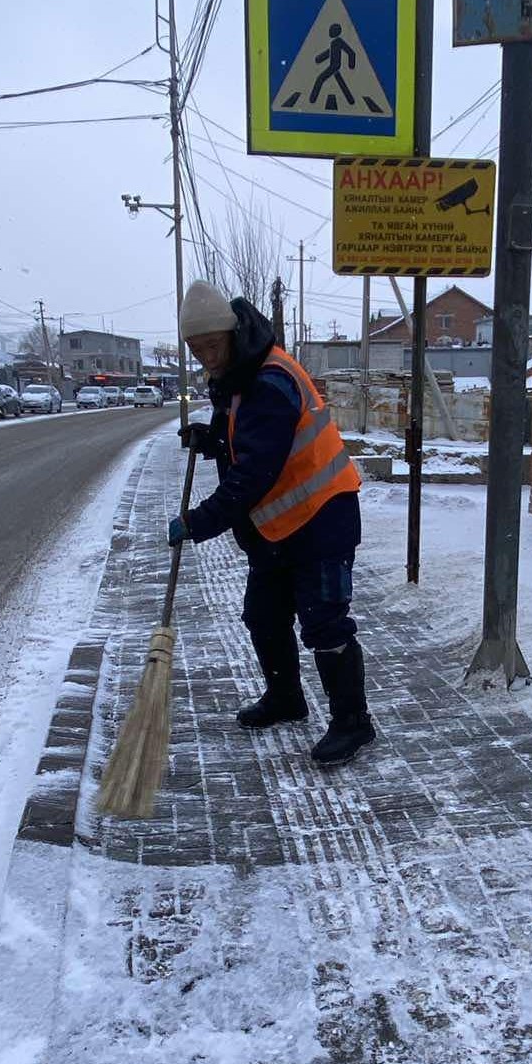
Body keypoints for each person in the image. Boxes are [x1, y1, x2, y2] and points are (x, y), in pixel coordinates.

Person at [169, 279, 375, 766]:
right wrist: (212, 436)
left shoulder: (269, 380)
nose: (205, 359)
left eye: (210, 347)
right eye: (196, 351)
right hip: (279, 525)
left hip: (323, 513)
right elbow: (242, 435)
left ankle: (353, 723)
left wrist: (197, 522)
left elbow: (253, 474)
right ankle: (286, 698)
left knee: (325, 623)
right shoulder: (241, 371)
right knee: (264, 614)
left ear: (232, 334)